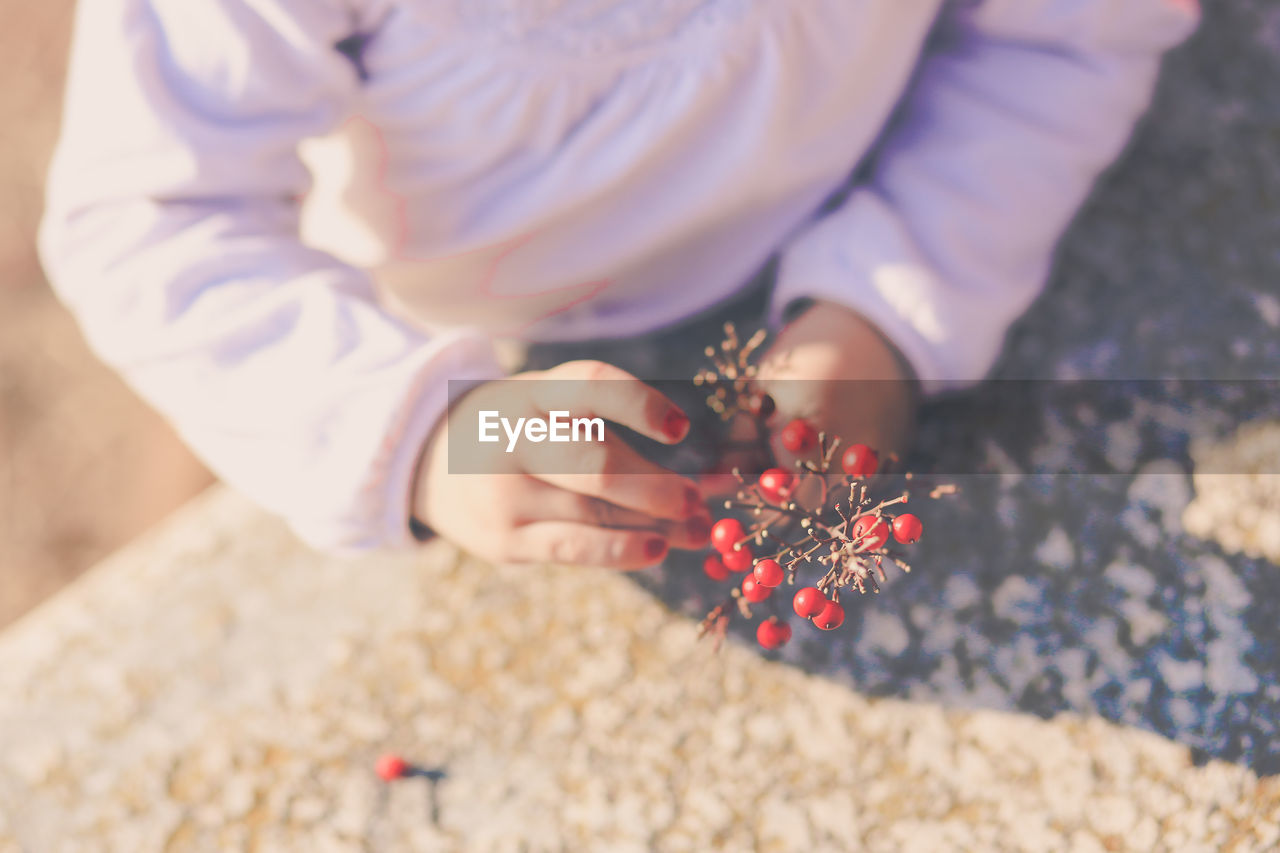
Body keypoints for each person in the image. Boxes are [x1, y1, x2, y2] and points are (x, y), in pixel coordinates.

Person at [39, 0, 1199, 568]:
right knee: (219, 507)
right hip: (418, 315)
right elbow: (158, 216)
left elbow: (1060, 36)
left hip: (843, 198)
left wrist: (888, 298)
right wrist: (420, 434)